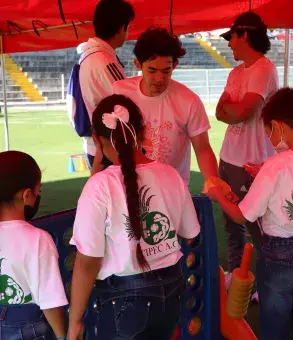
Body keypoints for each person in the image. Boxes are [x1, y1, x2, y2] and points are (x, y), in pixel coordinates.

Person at [208, 88, 293, 340]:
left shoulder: (275, 165)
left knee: (275, 323)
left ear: (277, 126)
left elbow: (241, 217)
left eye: (268, 131)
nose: (269, 138)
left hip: (279, 256)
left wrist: (219, 197)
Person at [67, 94, 201, 340]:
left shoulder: (99, 186)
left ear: (97, 140)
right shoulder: (170, 174)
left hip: (124, 299)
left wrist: (75, 321)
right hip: (173, 290)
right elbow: (190, 233)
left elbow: (87, 263)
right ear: (142, 132)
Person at [92, 27, 218, 184]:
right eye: (152, 70)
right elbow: (106, 141)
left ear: (175, 65)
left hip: (171, 188)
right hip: (129, 185)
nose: (159, 78)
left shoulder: (189, 101)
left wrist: (214, 182)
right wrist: (93, 178)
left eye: (166, 71)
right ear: (138, 64)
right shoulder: (119, 91)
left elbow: (203, 149)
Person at [215, 11, 279, 285]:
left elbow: (241, 111)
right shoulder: (236, 72)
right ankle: (236, 275)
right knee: (231, 224)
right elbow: (220, 112)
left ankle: (268, 281)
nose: (229, 44)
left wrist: (233, 110)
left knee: (258, 225)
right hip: (229, 158)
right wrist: (233, 110)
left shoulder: (264, 68)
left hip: (254, 161)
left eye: (232, 38)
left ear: (244, 36)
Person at [0, 151, 67, 340]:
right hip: (29, 329)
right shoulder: (38, 239)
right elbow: (50, 300)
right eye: (39, 191)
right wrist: (63, 336)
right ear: (27, 195)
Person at [68, 0, 135, 170]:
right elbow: (127, 106)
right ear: (122, 28)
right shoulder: (103, 61)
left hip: (98, 145)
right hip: (109, 150)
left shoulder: (90, 55)